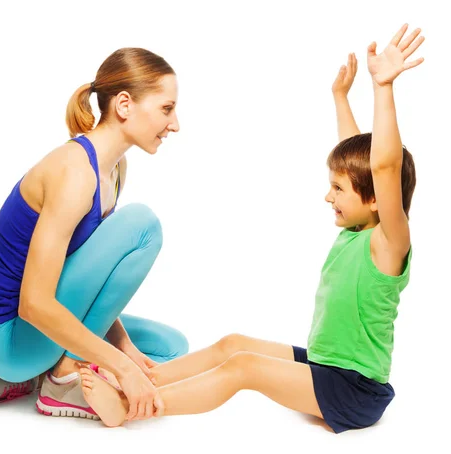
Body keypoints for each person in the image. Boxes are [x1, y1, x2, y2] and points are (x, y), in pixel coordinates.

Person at [75, 24, 423, 433]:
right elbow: (358, 158)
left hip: (353, 391)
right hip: (324, 365)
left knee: (244, 367)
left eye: (337, 189)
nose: (328, 197)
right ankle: (148, 378)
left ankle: (131, 405)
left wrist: (383, 88)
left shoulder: (388, 242)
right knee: (233, 344)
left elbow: (382, 166)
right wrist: (340, 97)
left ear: (377, 198)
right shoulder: (360, 225)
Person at [0, 47, 189, 421]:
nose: (176, 124)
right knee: (143, 225)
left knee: (170, 350)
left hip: (40, 329)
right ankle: (58, 382)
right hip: (10, 339)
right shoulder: (74, 173)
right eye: (167, 109)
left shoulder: (115, 169)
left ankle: (46, 374)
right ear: (124, 104)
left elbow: (90, 280)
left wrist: (126, 353)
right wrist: (120, 367)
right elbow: (33, 303)